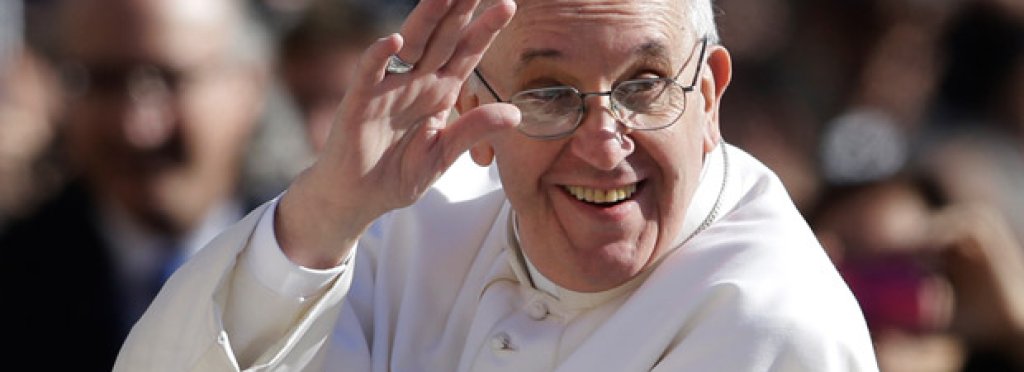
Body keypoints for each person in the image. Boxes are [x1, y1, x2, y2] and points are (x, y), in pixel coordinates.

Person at [115, 0, 879, 370]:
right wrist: (321, 215)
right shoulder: (403, 226)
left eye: (645, 86)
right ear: (478, 111)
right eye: (549, 93)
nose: (604, 142)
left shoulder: (772, 326)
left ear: (709, 96)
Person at [0, 0, 271, 369]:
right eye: (103, 81)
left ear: (251, 84)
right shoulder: (16, 286)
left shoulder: (332, 268)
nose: (137, 128)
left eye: (169, 78)